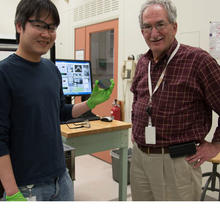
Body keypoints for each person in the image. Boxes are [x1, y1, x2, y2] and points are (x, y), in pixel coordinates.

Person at [0, 0, 114, 201]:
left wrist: (90, 103)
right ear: (19, 26)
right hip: (26, 186)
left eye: (52, 27)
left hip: (61, 179)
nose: (46, 34)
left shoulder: (51, 70)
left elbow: (61, 111)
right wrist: (11, 192)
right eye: (39, 25)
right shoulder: (4, 73)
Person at [130, 0, 220, 201]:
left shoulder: (198, 61)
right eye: (147, 27)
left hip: (177, 162)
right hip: (140, 160)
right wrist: (136, 132)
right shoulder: (143, 62)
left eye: (160, 24)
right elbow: (138, 96)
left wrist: (216, 145)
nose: (154, 33)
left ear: (174, 26)